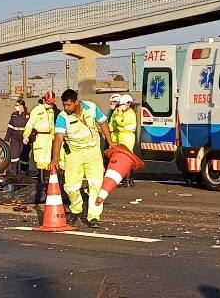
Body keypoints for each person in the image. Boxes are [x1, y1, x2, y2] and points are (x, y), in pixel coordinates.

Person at [48, 89, 114, 229]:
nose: (66, 108)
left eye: (69, 105)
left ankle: (94, 216)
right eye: (64, 105)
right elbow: (58, 138)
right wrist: (55, 158)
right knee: (71, 186)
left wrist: (110, 142)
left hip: (93, 152)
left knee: (96, 184)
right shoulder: (62, 117)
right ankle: (76, 209)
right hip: (74, 153)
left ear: (76, 102)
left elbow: (103, 123)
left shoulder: (91, 107)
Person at [23, 91, 57, 182]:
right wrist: (26, 135)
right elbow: (30, 123)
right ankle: (41, 180)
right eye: (48, 102)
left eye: (51, 103)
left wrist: (54, 138)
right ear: (44, 100)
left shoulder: (51, 111)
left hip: (49, 137)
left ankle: (47, 179)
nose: (50, 104)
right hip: (40, 137)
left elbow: (52, 125)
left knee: (48, 158)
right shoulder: (37, 110)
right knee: (40, 159)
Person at [111, 94, 138, 187]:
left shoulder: (129, 113)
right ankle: (126, 180)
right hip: (121, 136)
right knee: (122, 158)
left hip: (127, 137)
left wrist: (118, 114)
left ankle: (127, 180)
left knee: (127, 157)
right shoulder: (121, 112)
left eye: (123, 104)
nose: (121, 106)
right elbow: (113, 125)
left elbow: (120, 122)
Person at [4, 99, 29, 176]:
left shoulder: (28, 115)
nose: (16, 107)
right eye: (16, 105)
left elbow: (30, 127)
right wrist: (7, 138)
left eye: (18, 105)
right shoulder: (13, 115)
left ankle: (23, 173)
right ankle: (13, 173)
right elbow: (10, 127)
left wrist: (29, 137)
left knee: (23, 155)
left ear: (22, 106)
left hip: (24, 138)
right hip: (14, 137)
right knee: (14, 155)